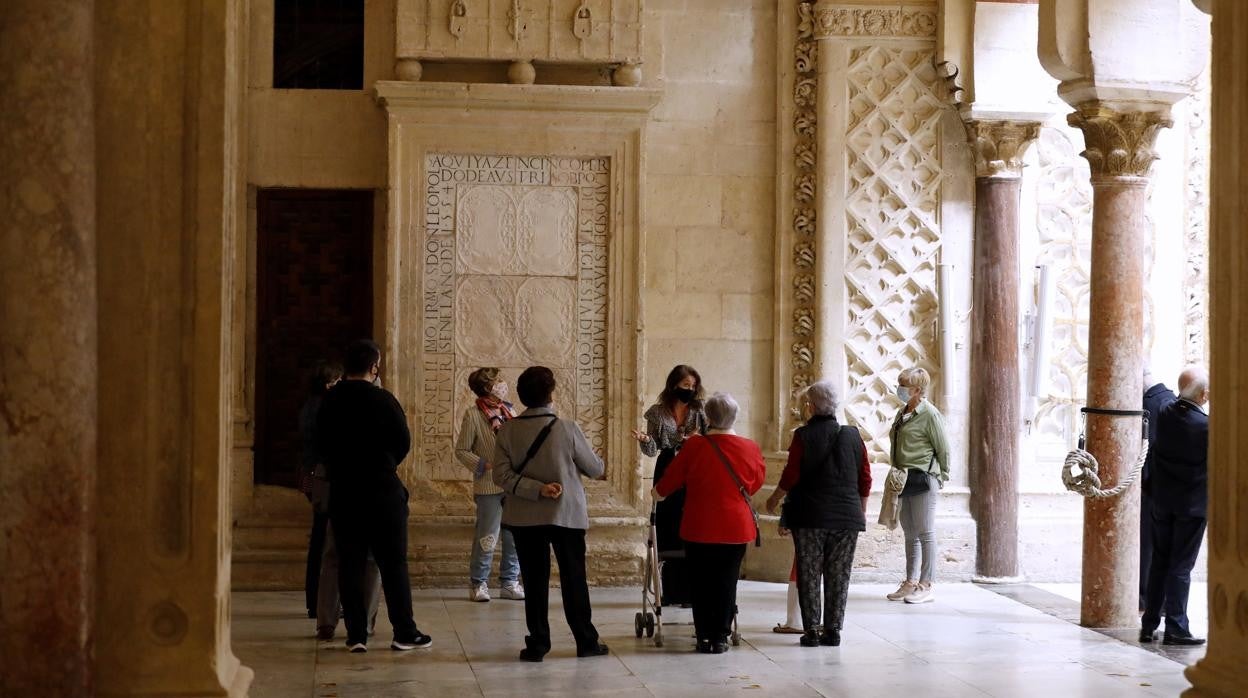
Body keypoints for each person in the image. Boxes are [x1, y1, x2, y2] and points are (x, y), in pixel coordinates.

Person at [316, 339, 432, 653]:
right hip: (382, 491)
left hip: (344, 491)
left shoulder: (330, 401)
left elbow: (318, 444)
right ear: (374, 367)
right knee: (393, 563)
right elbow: (403, 441)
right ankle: (404, 632)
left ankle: (356, 635)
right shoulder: (384, 400)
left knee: (349, 563)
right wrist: (383, 463)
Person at [493, 366, 609, 662]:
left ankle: (538, 644)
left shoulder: (507, 430)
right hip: (565, 515)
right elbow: (596, 469)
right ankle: (585, 641)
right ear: (551, 395)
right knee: (574, 579)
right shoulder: (567, 429)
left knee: (533, 581)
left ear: (522, 397)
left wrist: (535, 488)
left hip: (524, 518)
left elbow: (501, 476)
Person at [655, 393, 766, 654]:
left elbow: (670, 480)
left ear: (707, 417)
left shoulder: (694, 446)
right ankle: (721, 636)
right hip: (735, 526)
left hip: (699, 525)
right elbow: (756, 481)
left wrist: (658, 493)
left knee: (700, 581)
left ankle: (704, 635)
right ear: (735, 417)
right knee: (727, 581)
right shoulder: (749, 447)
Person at [765, 380, 870, 647]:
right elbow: (865, 478)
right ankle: (833, 631)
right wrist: (861, 510)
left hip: (810, 516)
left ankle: (811, 631)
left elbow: (791, 475)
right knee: (839, 575)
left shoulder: (803, 436)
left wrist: (774, 499)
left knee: (809, 572)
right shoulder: (853, 435)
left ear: (810, 406)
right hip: (846, 517)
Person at [1141, 366, 1209, 646]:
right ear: (1204, 395)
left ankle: (1148, 625)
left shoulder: (1165, 413)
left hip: (1162, 503)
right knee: (1181, 566)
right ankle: (1176, 627)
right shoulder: (1206, 427)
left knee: (1159, 563)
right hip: (1190, 508)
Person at [632, 365, 708, 605]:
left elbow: (710, 442)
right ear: (674, 384)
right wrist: (645, 441)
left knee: (690, 521)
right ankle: (669, 590)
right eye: (686, 385)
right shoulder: (657, 412)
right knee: (666, 523)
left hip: (693, 466)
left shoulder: (699, 410)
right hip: (667, 464)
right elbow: (653, 449)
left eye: (693, 386)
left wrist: (696, 440)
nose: (690, 389)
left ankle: (689, 591)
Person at [455, 367, 524, 603]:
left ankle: (509, 581)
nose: (504, 384)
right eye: (499, 381)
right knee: (487, 535)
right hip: (488, 486)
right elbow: (462, 451)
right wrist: (484, 464)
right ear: (488, 387)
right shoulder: (473, 415)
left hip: (513, 484)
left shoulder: (510, 411)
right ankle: (478, 582)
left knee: (514, 535)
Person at [883, 367, 950, 604]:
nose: (899, 389)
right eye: (899, 384)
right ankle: (910, 582)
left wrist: (942, 475)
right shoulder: (904, 413)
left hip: (924, 477)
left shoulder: (930, 414)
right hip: (904, 478)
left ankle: (926, 583)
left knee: (925, 531)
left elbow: (942, 447)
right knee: (909, 531)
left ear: (918, 390)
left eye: (904, 386)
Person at [299, 360, 341, 619]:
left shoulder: (310, 405)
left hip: (313, 476)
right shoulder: (324, 408)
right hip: (323, 478)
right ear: (328, 385)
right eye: (337, 382)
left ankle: (315, 601)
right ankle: (321, 602)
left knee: (320, 538)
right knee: (325, 541)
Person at [1140, 368, 1177, 611]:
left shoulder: (1149, 405)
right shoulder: (1172, 401)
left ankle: (1146, 597)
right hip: (1170, 490)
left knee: (1147, 546)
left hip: (1151, 491)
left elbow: (1147, 451)